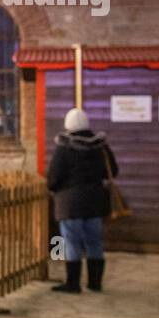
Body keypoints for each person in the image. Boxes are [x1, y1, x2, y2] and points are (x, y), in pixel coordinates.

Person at [47, 107, 117, 293]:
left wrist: (54, 188)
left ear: (68, 125)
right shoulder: (100, 146)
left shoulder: (64, 147)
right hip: (94, 201)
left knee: (71, 242)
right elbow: (113, 170)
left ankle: (73, 283)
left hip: (70, 203)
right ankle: (95, 283)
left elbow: (54, 176)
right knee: (95, 242)